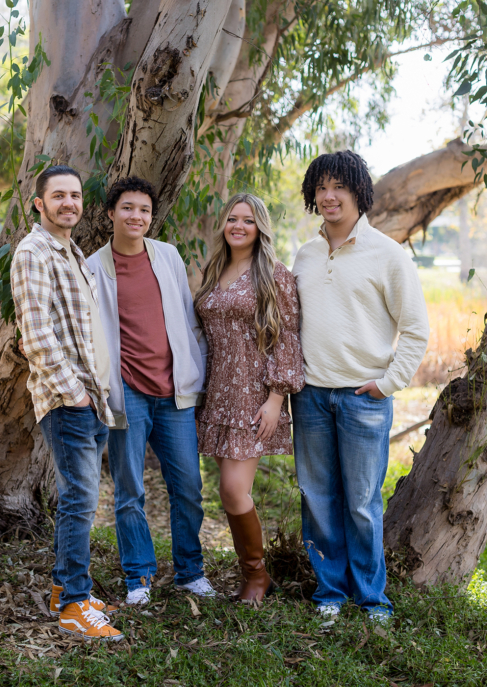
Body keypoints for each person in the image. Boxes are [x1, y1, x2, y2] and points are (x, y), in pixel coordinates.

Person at [291, 150, 430, 622]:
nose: (329, 196)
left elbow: (415, 329)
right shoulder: (306, 255)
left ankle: (372, 599)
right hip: (309, 396)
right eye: (321, 187)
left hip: (362, 399)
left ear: (359, 193)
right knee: (317, 497)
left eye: (339, 187)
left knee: (363, 504)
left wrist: (389, 383)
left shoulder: (388, 255)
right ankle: (330, 593)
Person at [86, 176, 215, 606]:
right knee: (129, 490)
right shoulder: (93, 268)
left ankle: (190, 572)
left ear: (150, 216)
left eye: (143, 209)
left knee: (188, 486)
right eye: (127, 208)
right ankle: (138, 577)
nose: (136, 216)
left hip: (174, 390)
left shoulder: (168, 256)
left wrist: (196, 371)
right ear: (110, 214)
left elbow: (186, 315)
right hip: (127, 394)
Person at [10, 165, 122, 641]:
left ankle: (64, 587)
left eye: (75, 195)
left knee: (81, 498)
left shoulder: (71, 251)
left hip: (90, 397)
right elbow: (35, 335)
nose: (69, 203)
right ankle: (75, 605)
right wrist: (73, 392)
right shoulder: (34, 252)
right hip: (68, 397)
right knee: (80, 500)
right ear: (39, 203)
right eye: (59, 196)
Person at [193, 193, 305, 603]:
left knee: (232, 488)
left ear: (261, 228)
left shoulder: (274, 274)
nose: (238, 226)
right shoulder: (215, 269)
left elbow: (287, 336)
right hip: (216, 391)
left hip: (252, 394)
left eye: (248, 220)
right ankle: (253, 574)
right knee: (229, 489)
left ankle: (257, 577)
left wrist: (276, 398)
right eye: (232, 219)